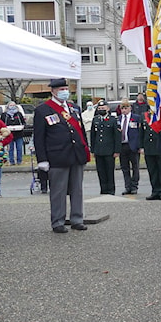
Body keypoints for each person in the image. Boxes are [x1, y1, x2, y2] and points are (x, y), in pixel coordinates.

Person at [33, 78, 90, 234]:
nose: (64, 92)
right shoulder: (43, 110)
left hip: (76, 154)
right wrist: (42, 159)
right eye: (61, 89)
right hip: (57, 156)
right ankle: (58, 221)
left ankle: (77, 219)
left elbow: (81, 131)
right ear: (53, 91)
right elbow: (39, 137)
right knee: (58, 191)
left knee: (77, 189)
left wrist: (85, 149)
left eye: (66, 89)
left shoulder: (74, 108)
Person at [89, 100, 120, 195]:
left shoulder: (113, 120)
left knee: (109, 171)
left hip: (109, 150)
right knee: (101, 171)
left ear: (108, 109)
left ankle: (111, 190)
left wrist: (117, 150)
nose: (101, 110)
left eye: (103, 108)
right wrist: (93, 150)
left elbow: (117, 136)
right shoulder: (96, 119)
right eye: (99, 108)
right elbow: (93, 136)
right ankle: (103, 189)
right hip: (99, 150)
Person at [116, 99, 143, 195]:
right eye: (122, 108)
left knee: (135, 167)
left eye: (126, 108)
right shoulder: (118, 119)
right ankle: (127, 186)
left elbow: (139, 133)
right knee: (125, 167)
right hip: (122, 145)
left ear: (130, 108)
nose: (124, 110)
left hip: (133, 145)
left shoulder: (136, 118)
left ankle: (134, 186)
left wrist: (140, 146)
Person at [140, 118, 161, 200]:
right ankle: (155, 191)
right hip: (149, 147)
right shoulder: (145, 117)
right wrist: (141, 146)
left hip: (160, 147)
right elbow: (141, 133)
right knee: (152, 171)